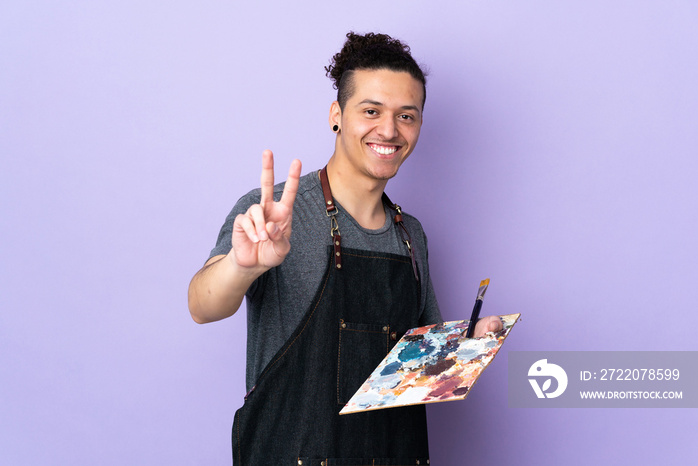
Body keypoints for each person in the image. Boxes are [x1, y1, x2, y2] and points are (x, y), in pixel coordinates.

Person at [188, 31, 503, 465]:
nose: (389, 130)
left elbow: (418, 370)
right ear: (337, 114)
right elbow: (202, 306)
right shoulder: (275, 214)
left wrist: (467, 348)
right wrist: (242, 267)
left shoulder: (411, 235)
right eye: (371, 111)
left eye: (406, 116)